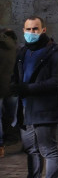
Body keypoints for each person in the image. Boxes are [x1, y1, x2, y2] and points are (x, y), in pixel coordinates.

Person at [9, 16, 58, 178]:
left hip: (44, 110)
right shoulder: (22, 52)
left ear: (43, 30)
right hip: (24, 111)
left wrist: (27, 89)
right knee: (31, 150)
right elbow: (15, 76)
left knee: (48, 150)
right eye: (29, 29)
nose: (32, 32)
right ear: (23, 31)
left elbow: (56, 81)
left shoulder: (54, 51)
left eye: (35, 29)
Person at [0, 28, 18, 158]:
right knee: (11, 115)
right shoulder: (12, 45)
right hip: (11, 86)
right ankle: (12, 138)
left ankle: (0, 144)